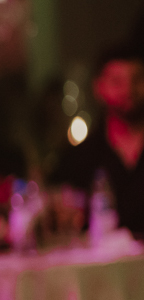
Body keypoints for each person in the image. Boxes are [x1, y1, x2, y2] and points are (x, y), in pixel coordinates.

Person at [49, 42, 144, 237]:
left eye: (137, 80)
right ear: (99, 87)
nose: (128, 90)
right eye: (117, 81)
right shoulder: (80, 157)